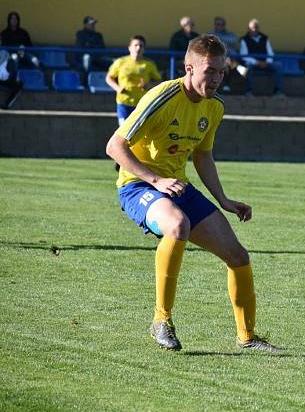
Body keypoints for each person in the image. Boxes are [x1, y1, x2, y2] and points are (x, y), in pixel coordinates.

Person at [105, 34, 279, 352]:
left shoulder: (214, 108)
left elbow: (202, 155)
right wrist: (156, 181)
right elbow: (114, 146)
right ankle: (161, 320)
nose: (215, 79)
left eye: (221, 72)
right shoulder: (162, 97)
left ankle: (248, 338)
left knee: (238, 256)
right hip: (137, 186)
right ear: (189, 67)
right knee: (177, 225)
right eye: (209, 71)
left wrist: (224, 200)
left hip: (177, 186)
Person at [106, 35, 162, 125]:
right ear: (129, 48)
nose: (138, 48)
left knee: (139, 132)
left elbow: (159, 81)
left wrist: (148, 85)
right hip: (124, 102)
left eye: (141, 46)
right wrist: (117, 88)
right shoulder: (121, 62)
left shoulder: (148, 65)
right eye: (136, 45)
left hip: (142, 104)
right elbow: (109, 78)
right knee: (124, 130)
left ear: (144, 49)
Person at [238, 18, 285, 98]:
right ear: (249, 29)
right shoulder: (244, 40)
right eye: (252, 28)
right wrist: (257, 62)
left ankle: (278, 91)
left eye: (256, 27)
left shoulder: (265, 38)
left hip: (266, 63)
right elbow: (244, 55)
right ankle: (249, 91)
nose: (254, 29)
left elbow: (270, 53)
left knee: (279, 65)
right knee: (247, 67)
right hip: (252, 64)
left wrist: (267, 62)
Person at [208, 16, 245, 93]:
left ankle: (243, 89)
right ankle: (225, 87)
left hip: (233, 59)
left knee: (244, 70)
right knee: (225, 66)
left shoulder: (230, 34)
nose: (220, 26)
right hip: (218, 59)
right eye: (218, 24)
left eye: (222, 24)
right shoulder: (211, 34)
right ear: (215, 25)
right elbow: (212, 46)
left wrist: (221, 43)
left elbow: (236, 42)